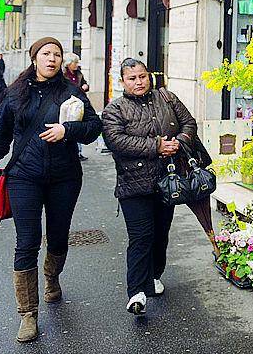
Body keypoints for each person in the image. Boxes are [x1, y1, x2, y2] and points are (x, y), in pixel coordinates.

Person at [0, 37, 102, 343]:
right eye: (46, 54)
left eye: (57, 54)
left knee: (57, 236)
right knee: (27, 241)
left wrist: (67, 130)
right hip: (24, 177)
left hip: (64, 178)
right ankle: (28, 314)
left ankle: (51, 277)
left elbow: (94, 128)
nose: (52, 59)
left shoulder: (71, 92)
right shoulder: (16, 93)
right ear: (35, 59)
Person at [101, 58, 197, 315]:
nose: (139, 82)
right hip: (134, 185)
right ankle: (136, 292)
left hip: (168, 179)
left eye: (142, 76)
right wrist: (156, 146)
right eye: (132, 78)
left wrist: (179, 141)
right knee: (141, 237)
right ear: (123, 81)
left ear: (149, 77)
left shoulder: (167, 98)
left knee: (160, 234)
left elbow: (189, 123)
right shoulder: (115, 109)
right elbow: (117, 141)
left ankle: (154, 275)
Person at [62, 53, 90, 160]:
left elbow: (85, 83)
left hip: (79, 104)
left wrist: (85, 86)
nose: (77, 65)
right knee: (69, 125)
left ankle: (78, 152)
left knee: (79, 126)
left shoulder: (78, 74)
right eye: (75, 62)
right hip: (68, 105)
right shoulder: (63, 75)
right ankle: (69, 150)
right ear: (69, 64)